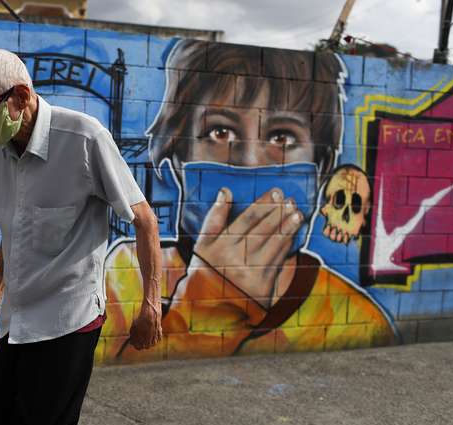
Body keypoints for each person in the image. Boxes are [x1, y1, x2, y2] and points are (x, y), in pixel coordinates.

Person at [0, 48, 162, 425]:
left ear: (21, 98)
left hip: (68, 319)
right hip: (18, 321)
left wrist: (151, 304)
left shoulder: (83, 138)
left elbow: (145, 221)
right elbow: (13, 233)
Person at [105, 40, 394, 357]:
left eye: (281, 137)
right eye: (220, 133)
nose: (250, 161)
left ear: (321, 168)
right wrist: (210, 300)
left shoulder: (357, 320)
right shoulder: (128, 276)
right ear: (178, 161)